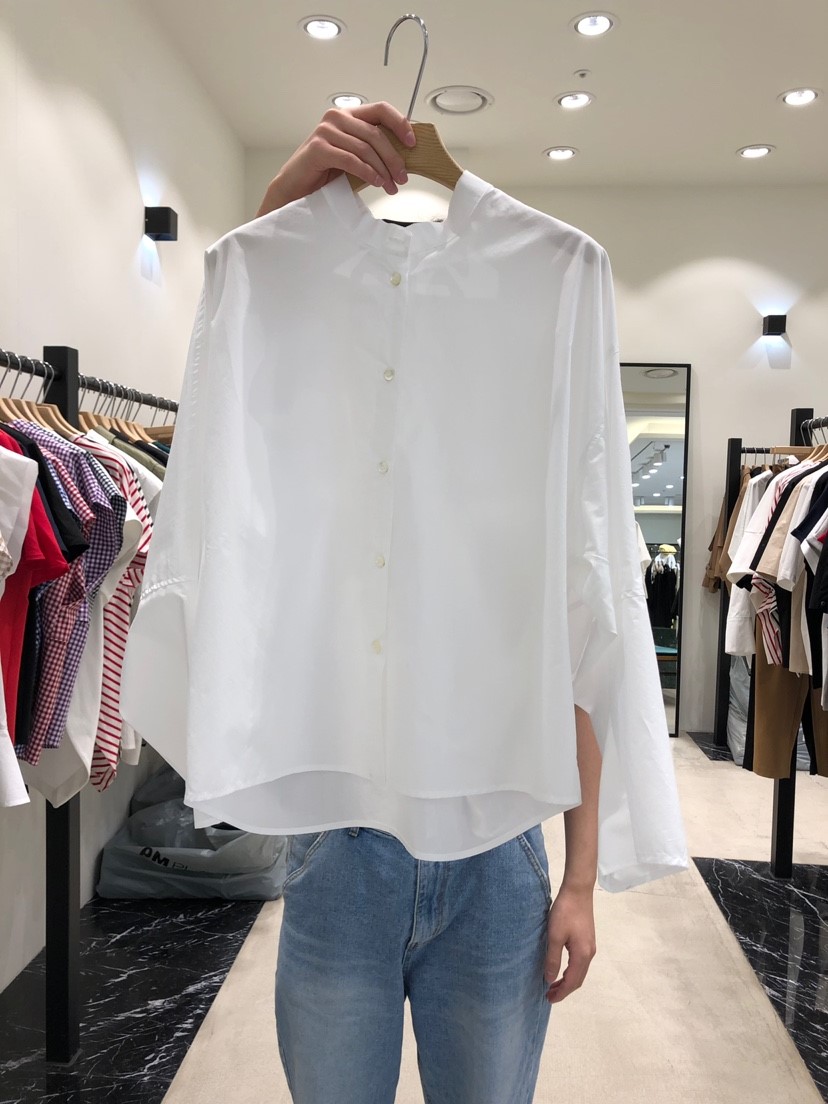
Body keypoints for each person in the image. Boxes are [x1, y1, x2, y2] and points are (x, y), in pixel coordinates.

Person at [256, 102, 602, 1103]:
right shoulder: (329, 451)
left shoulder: (522, 454)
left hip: (497, 851)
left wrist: (580, 880)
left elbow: (579, 651)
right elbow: (250, 363)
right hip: (341, 846)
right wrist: (281, 205)